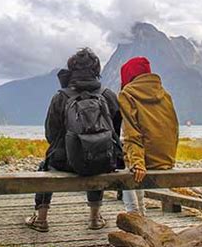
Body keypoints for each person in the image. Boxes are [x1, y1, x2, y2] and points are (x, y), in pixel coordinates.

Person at [25, 48, 122, 232]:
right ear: (97, 70)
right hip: (101, 162)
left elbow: (50, 134)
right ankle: (94, 218)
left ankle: (41, 219)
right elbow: (114, 131)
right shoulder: (108, 95)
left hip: (65, 162)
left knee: (45, 165)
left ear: (71, 69)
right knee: (97, 154)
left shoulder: (60, 96)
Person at [118, 56, 179, 216]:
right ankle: (142, 213)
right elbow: (174, 128)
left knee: (124, 164)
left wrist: (138, 163)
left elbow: (132, 132)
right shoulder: (165, 94)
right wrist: (169, 158)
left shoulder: (127, 94)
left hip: (145, 163)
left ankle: (133, 214)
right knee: (131, 158)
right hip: (165, 160)